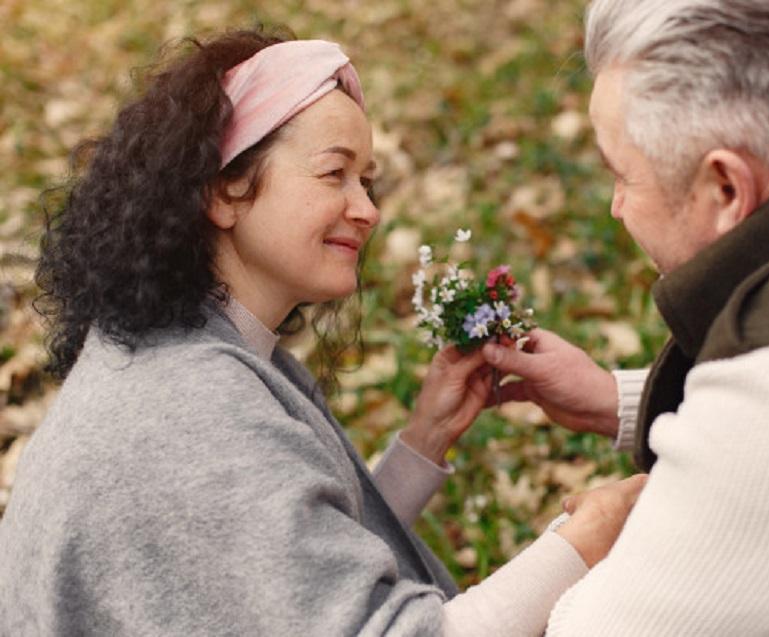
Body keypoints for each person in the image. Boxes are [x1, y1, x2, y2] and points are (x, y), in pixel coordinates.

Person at [0, 30, 646, 636]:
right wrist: (589, 537)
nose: (367, 209)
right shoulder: (186, 410)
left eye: (366, 180)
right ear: (225, 192)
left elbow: (280, 573)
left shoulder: (188, 354)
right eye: (333, 173)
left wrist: (423, 443)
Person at [481, 0, 769, 633]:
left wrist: (591, 539)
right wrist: (619, 400)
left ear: (726, 188)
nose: (618, 209)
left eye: (623, 176)